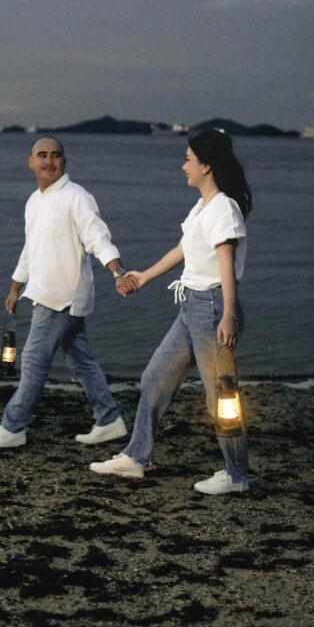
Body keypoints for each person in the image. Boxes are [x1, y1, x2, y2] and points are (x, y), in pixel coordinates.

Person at [90, 129, 252, 494]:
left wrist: (228, 314)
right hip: (191, 307)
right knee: (154, 378)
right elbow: (183, 250)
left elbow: (226, 266)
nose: (183, 166)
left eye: (188, 159)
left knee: (221, 398)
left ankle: (237, 476)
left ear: (206, 166)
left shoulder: (223, 208)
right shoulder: (202, 207)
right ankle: (136, 457)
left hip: (213, 309)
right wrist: (144, 276)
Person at [0, 135, 131, 451]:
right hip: (42, 291)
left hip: (62, 296)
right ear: (30, 161)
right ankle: (109, 420)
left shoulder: (77, 197)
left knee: (33, 360)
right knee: (80, 359)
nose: (49, 161)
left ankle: (13, 426)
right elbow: (30, 250)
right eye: (42, 155)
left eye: (55, 155)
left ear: (64, 161)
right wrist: (15, 288)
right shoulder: (34, 201)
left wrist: (117, 272)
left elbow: (98, 238)